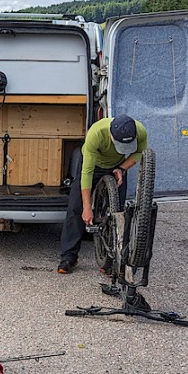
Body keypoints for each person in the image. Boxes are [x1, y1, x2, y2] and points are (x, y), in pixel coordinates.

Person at [58, 114, 147, 273]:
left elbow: (140, 152)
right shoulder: (96, 133)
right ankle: (69, 257)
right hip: (93, 165)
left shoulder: (139, 131)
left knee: (117, 213)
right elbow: (87, 173)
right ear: (111, 136)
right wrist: (87, 207)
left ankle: (112, 259)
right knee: (76, 208)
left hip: (117, 166)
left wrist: (122, 169)